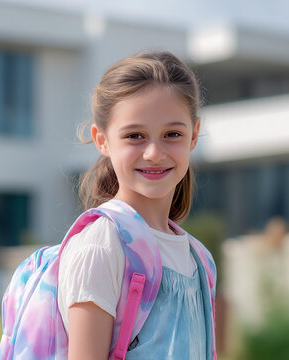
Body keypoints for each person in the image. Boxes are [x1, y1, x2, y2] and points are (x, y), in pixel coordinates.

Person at [58, 51, 217, 359]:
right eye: (135, 136)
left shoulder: (200, 260)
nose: (154, 153)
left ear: (194, 135)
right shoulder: (102, 246)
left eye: (172, 134)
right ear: (102, 140)